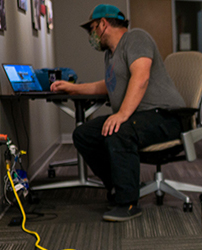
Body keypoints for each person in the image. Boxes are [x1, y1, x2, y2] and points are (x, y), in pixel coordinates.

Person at [50, 4, 186, 222]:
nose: (91, 35)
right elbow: (108, 85)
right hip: (139, 118)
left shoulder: (136, 38)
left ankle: (128, 203)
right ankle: (119, 186)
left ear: (103, 24)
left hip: (166, 117)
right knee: (83, 134)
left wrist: (122, 114)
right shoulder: (111, 55)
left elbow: (140, 77)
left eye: (92, 29)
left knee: (118, 129)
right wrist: (72, 88)